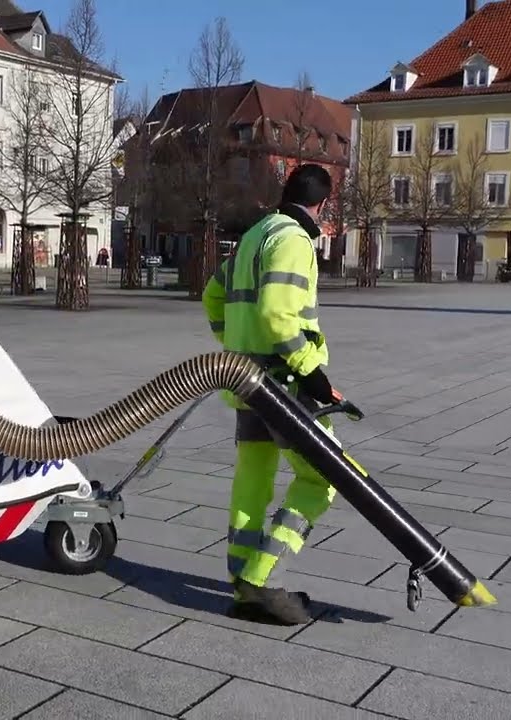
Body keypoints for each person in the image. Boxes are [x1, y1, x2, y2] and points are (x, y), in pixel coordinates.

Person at [202, 163, 343, 625]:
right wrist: (314, 377)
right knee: (321, 480)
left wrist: (232, 344)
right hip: (284, 386)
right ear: (323, 205)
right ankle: (261, 579)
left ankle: (241, 581)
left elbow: (212, 296)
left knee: (252, 482)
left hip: (245, 382)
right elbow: (278, 313)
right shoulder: (295, 240)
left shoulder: (255, 235)